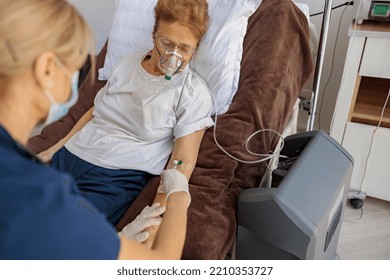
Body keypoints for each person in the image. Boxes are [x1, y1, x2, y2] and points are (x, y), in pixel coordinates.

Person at [0, 0, 190, 260]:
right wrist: (179, 195)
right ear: (46, 70)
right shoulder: (41, 196)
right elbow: (161, 266)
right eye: (75, 69)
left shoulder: (191, 93)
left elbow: (184, 156)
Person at [40, 0, 213, 226]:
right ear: (154, 34)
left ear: (196, 48)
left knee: (64, 232)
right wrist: (54, 149)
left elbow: (181, 164)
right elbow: (96, 111)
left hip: (115, 178)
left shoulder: (193, 93)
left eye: (184, 48)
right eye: (167, 43)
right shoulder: (127, 63)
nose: (174, 55)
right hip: (71, 156)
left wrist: (156, 215)